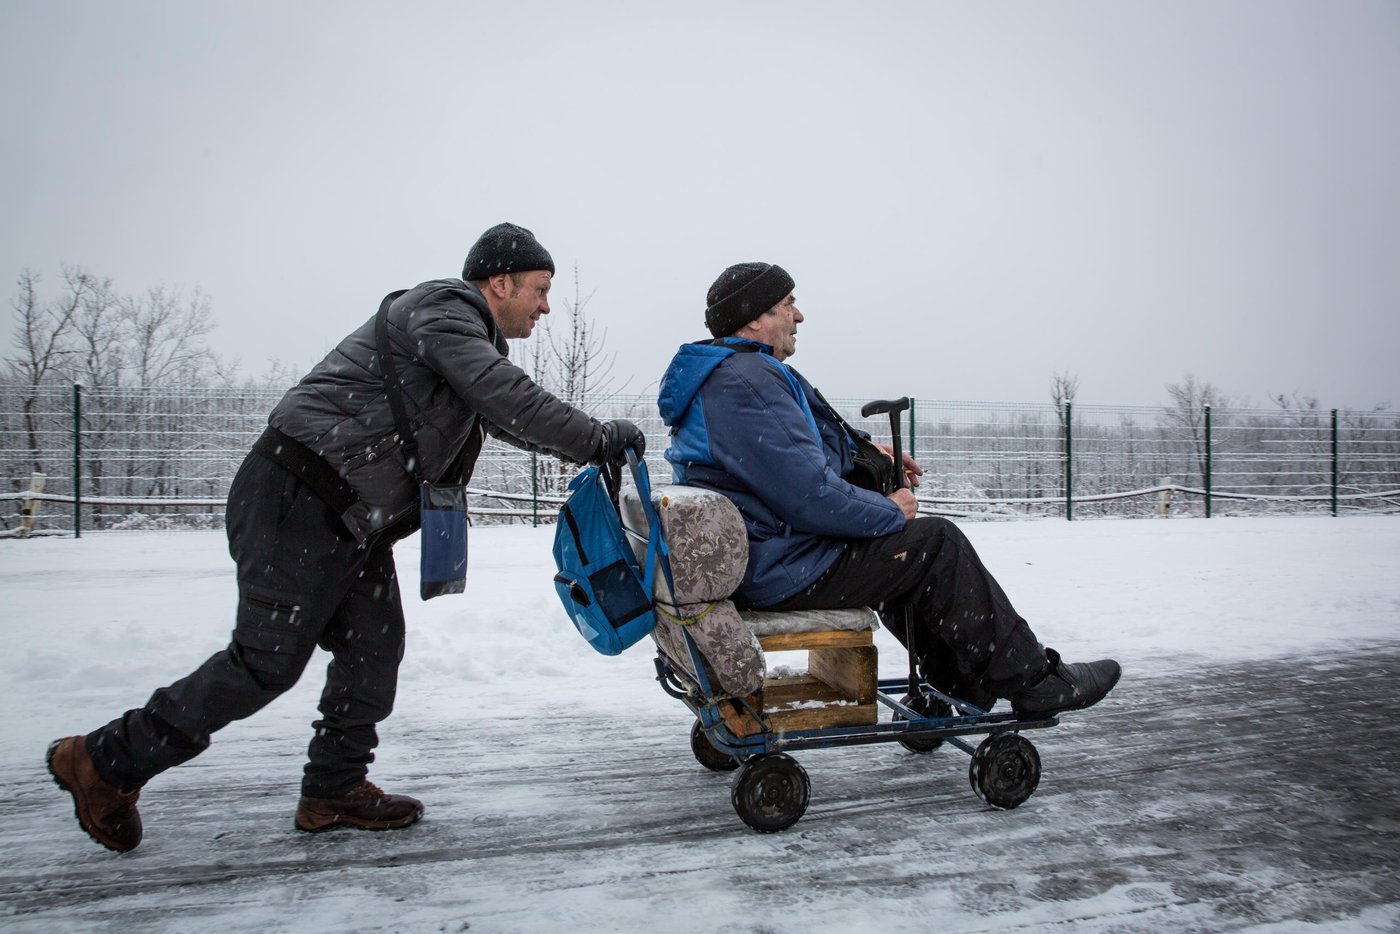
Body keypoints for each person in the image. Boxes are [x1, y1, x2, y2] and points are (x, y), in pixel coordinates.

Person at [47, 222, 647, 853]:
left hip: (346, 517)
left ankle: (332, 788)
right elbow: (504, 394)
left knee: (374, 643)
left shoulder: (463, 342)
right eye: (540, 289)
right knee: (265, 663)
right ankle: (103, 760)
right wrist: (595, 435)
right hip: (298, 495)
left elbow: (502, 416)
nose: (546, 306)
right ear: (500, 282)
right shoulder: (444, 311)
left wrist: (589, 445)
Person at [657, 261, 1120, 716]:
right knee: (936, 543)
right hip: (781, 565)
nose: (799, 316)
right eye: (787, 304)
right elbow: (810, 495)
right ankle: (1032, 680)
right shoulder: (747, 381)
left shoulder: (730, 375)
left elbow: (784, 460)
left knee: (900, 553)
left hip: (766, 552)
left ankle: (959, 678)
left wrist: (868, 456)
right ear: (756, 317)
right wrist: (892, 511)